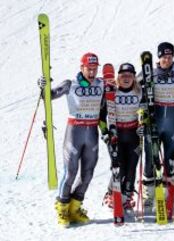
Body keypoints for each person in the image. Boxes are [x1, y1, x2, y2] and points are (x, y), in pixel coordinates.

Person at [38, 52, 105, 227]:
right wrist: (43, 86)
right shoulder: (71, 84)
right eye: (89, 69)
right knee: (70, 173)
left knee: (88, 174)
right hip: (74, 132)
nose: (92, 72)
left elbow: (124, 85)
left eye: (94, 69)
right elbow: (48, 96)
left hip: (92, 132)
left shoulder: (101, 84)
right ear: (81, 68)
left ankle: (75, 208)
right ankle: (62, 209)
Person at [141, 42, 174, 212]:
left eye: (170, 57)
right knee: (150, 158)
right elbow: (134, 86)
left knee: (171, 160)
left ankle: (165, 197)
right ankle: (149, 196)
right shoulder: (150, 71)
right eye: (164, 57)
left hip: (173, 120)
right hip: (154, 120)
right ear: (159, 57)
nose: (167, 60)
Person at [100, 63, 142, 212]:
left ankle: (126, 197)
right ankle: (111, 194)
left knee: (131, 168)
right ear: (118, 77)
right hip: (115, 135)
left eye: (129, 75)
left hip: (133, 135)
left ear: (134, 77)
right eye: (123, 75)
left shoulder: (139, 92)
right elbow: (101, 116)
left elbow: (146, 113)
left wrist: (144, 125)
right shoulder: (111, 92)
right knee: (119, 167)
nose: (126, 78)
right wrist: (105, 133)